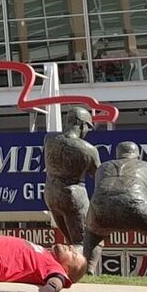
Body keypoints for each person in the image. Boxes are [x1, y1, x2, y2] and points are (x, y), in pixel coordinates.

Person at [83, 141, 147, 279]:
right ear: (137, 155)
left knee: (92, 234)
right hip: (137, 206)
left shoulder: (103, 167)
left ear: (118, 155)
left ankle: (86, 271)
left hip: (100, 209)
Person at [43, 105, 99, 246]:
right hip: (73, 196)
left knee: (70, 242)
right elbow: (99, 175)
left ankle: (70, 266)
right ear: (81, 125)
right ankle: (85, 268)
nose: (87, 131)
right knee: (84, 241)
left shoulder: (49, 139)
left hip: (51, 194)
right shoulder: (88, 149)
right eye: (88, 127)